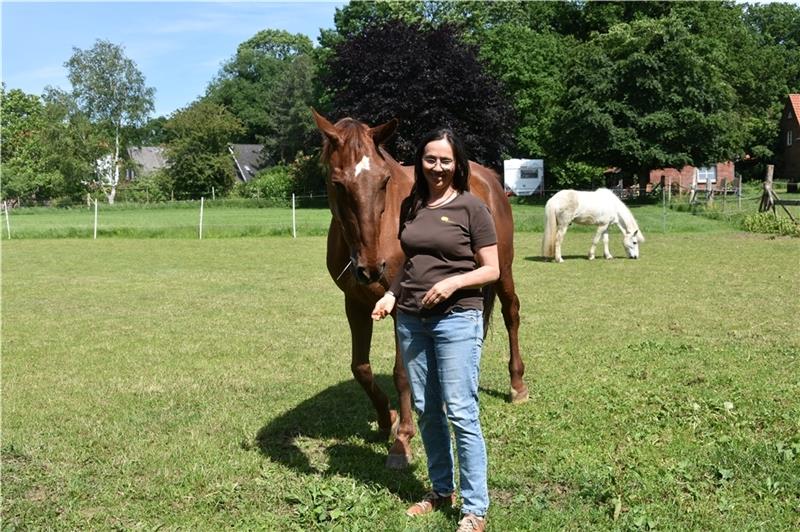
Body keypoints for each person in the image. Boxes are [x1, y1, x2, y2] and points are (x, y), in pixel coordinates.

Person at [372, 128, 499, 532]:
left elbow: (491, 268)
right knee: (426, 410)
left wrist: (452, 283)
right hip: (411, 319)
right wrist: (392, 295)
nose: (438, 167)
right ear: (420, 162)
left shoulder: (471, 208)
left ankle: (475, 508)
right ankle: (441, 489)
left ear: (457, 164)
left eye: (446, 160)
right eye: (430, 159)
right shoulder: (412, 205)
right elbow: (408, 263)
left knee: (461, 410)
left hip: (457, 318)